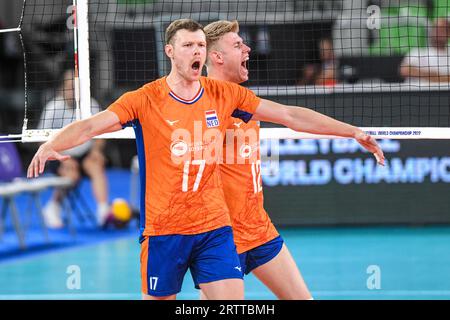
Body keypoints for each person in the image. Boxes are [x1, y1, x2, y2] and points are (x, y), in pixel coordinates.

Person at [27, 19, 384, 300]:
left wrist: (351, 131)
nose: (196, 50)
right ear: (171, 51)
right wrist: (50, 144)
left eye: (200, 44)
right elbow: (93, 124)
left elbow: (291, 115)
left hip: (222, 229)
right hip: (166, 229)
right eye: (189, 45)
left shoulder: (228, 96)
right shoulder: (145, 99)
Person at [203, 19, 312, 299]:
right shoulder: (199, 101)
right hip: (222, 237)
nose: (248, 49)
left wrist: (351, 132)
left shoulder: (245, 99)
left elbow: (291, 116)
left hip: (258, 228)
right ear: (216, 57)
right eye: (238, 45)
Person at [38, 69, 110, 228]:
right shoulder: (53, 108)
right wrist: (61, 157)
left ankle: (104, 212)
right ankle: (52, 207)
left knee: (96, 165)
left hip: (85, 153)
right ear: (62, 88)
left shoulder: (90, 104)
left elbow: (101, 133)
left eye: (76, 88)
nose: (73, 91)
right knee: (72, 174)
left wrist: (96, 151)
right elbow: (42, 141)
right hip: (59, 156)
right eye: (70, 87)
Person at [400, 18, 450, 82]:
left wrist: (419, 73)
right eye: (435, 28)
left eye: (442, 29)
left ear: (448, 33)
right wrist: (434, 75)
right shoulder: (418, 52)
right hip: (416, 91)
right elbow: (404, 70)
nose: (438, 32)